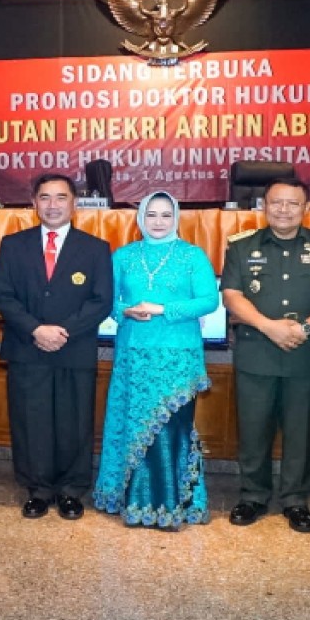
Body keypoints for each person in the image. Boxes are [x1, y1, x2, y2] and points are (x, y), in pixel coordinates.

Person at [220, 178, 310, 532]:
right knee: (253, 428)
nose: (283, 210)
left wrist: (304, 329)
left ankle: (296, 499)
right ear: (264, 206)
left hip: (306, 353)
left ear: (306, 208)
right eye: (276, 203)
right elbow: (232, 295)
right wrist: (269, 326)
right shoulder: (240, 246)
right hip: (257, 351)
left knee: (301, 430)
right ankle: (252, 496)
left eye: (292, 204)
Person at [91, 190, 216, 529]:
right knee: (131, 425)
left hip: (178, 357)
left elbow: (209, 301)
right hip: (134, 355)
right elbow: (107, 300)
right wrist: (125, 311)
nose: (158, 222)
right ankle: (131, 499)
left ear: (175, 218)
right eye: (151, 215)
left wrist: (164, 309)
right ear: (140, 218)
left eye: (165, 215)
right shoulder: (124, 256)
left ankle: (173, 504)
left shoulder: (192, 255)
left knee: (171, 429)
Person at [0, 173, 113, 520]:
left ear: (74, 204)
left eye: (61, 198)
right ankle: (38, 488)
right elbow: (2, 296)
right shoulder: (13, 245)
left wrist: (61, 331)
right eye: (44, 198)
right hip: (26, 347)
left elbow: (101, 301)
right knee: (31, 420)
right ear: (33, 204)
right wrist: (35, 329)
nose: (53, 205)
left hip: (73, 348)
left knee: (74, 421)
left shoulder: (94, 248)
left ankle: (71, 490)